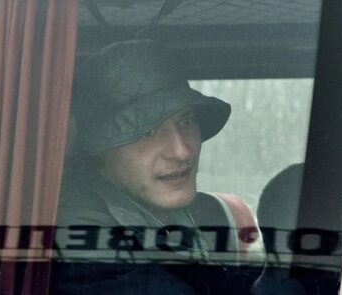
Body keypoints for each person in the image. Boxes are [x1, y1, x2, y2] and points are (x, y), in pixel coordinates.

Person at [52, 40, 262, 294]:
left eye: (186, 121)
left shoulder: (154, 212)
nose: (182, 150)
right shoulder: (83, 238)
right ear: (99, 151)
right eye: (148, 132)